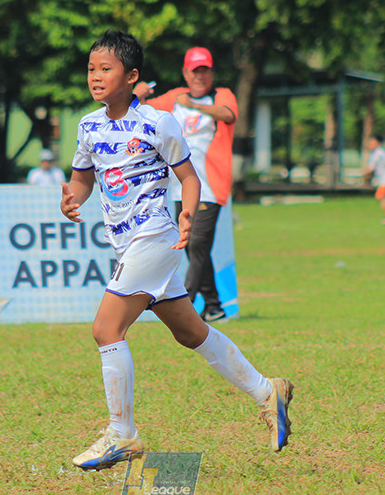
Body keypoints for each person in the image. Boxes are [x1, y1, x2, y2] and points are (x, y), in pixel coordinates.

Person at [61, 30, 294, 470]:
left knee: (106, 330)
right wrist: (72, 197)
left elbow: (189, 177)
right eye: (91, 68)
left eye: (105, 69)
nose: (95, 76)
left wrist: (187, 214)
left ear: (131, 77)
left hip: (155, 237)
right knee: (191, 333)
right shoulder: (88, 126)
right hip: (127, 245)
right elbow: (84, 178)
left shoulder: (158, 122)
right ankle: (269, 391)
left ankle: (122, 434)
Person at [134, 46, 236, 322]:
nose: (199, 76)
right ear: (185, 73)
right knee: (192, 247)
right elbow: (138, 111)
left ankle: (187, 304)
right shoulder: (174, 98)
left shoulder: (221, 95)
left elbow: (228, 115)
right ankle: (214, 305)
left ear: (211, 72)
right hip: (181, 186)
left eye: (204, 70)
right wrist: (136, 93)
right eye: (194, 71)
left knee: (198, 243)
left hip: (211, 185)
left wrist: (194, 105)